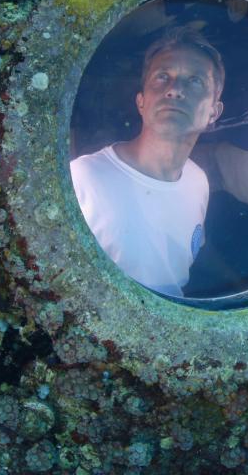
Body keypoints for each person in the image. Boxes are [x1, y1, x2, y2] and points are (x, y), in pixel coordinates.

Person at [70, 26, 225, 296]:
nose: (175, 90)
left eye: (195, 81)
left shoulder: (199, 181)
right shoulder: (82, 178)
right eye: (162, 76)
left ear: (214, 112)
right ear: (141, 101)